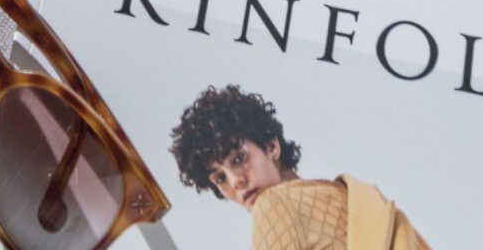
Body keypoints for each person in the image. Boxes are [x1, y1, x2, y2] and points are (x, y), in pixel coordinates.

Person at [169, 84, 433, 250]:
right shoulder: (352, 198)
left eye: (239, 158)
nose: (236, 182)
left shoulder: (273, 204)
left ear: (272, 147)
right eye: (219, 178)